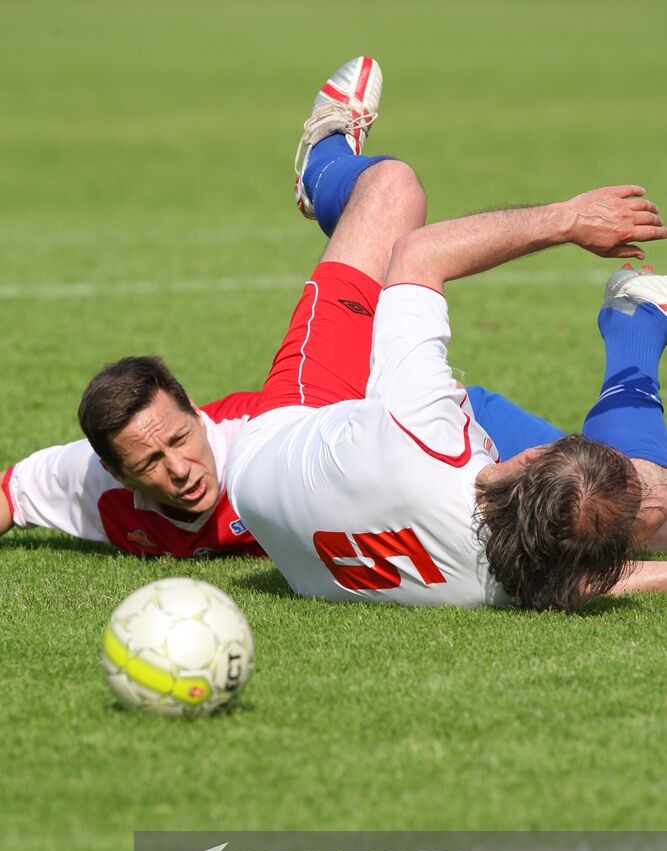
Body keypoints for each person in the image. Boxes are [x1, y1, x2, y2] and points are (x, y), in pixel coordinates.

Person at [226, 56, 667, 611]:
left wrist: (570, 219)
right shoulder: (520, 579)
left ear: (526, 459)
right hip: (308, 526)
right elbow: (585, 576)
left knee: (392, 189)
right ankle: (639, 316)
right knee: (645, 506)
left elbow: (419, 253)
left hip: (274, 457)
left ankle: (325, 157)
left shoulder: (423, 432)